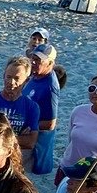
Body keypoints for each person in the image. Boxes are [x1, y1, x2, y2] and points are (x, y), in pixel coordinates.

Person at [22, 42, 61, 174]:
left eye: (38, 60)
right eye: (33, 58)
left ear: (50, 64)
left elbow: (50, 124)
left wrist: (31, 126)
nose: (33, 62)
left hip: (33, 144)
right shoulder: (36, 75)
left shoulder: (50, 87)